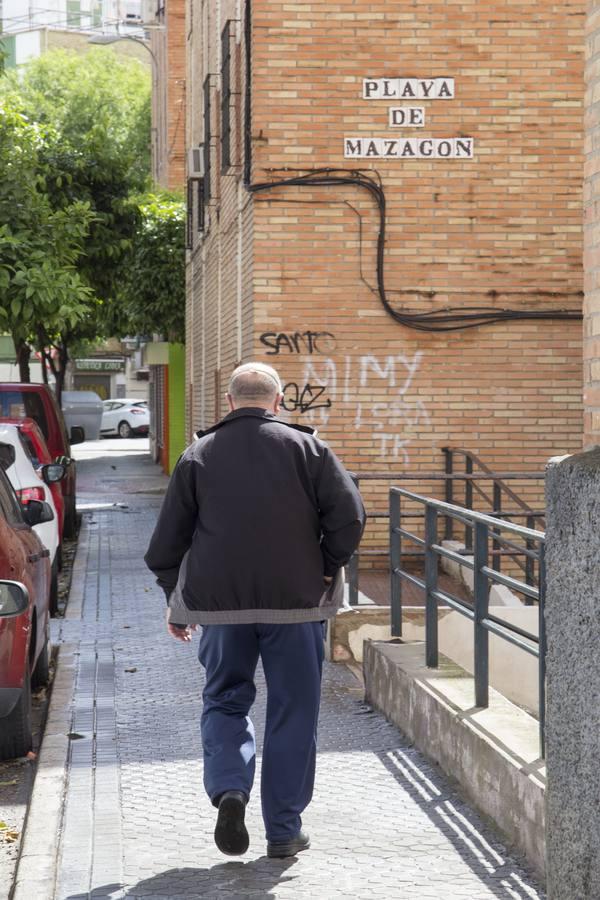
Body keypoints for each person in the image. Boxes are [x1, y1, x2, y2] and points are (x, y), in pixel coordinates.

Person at [144, 362, 365, 859]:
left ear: (228, 402)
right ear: (278, 402)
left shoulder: (197, 454)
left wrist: (174, 600)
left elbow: (167, 542)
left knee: (224, 699)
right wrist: (327, 567)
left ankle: (229, 789)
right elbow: (349, 516)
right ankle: (284, 830)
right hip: (297, 606)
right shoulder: (310, 449)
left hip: (220, 610)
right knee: (294, 711)